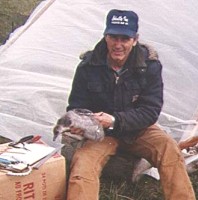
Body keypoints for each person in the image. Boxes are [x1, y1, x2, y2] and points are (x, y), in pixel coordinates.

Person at [65, 9, 195, 200]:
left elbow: (151, 111)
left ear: (135, 39)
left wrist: (114, 120)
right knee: (82, 166)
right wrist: (79, 124)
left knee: (169, 149)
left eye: (124, 39)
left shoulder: (150, 65)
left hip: (139, 130)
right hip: (100, 134)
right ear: (105, 37)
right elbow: (75, 106)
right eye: (113, 37)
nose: (118, 45)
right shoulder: (88, 66)